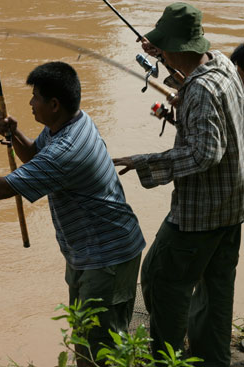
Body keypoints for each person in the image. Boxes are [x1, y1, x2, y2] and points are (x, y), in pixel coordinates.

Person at [0, 61, 146, 366]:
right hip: (88, 250)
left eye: (35, 97)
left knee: (99, 348)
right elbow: (36, 156)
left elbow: (5, 188)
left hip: (108, 255)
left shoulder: (67, 150)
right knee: (84, 335)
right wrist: (15, 133)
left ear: (54, 104)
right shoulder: (72, 122)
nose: (30, 103)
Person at [113, 3, 244, 366]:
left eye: (163, 45)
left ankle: (167, 359)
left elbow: (205, 155)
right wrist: (165, 55)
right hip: (233, 207)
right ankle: (211, 358)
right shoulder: (223, 65)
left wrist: (144, 162)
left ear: (177, 48)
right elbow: (196, 77)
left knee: (159, 278)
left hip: (199, 214)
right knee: (215, 289)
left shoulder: (200, 91)